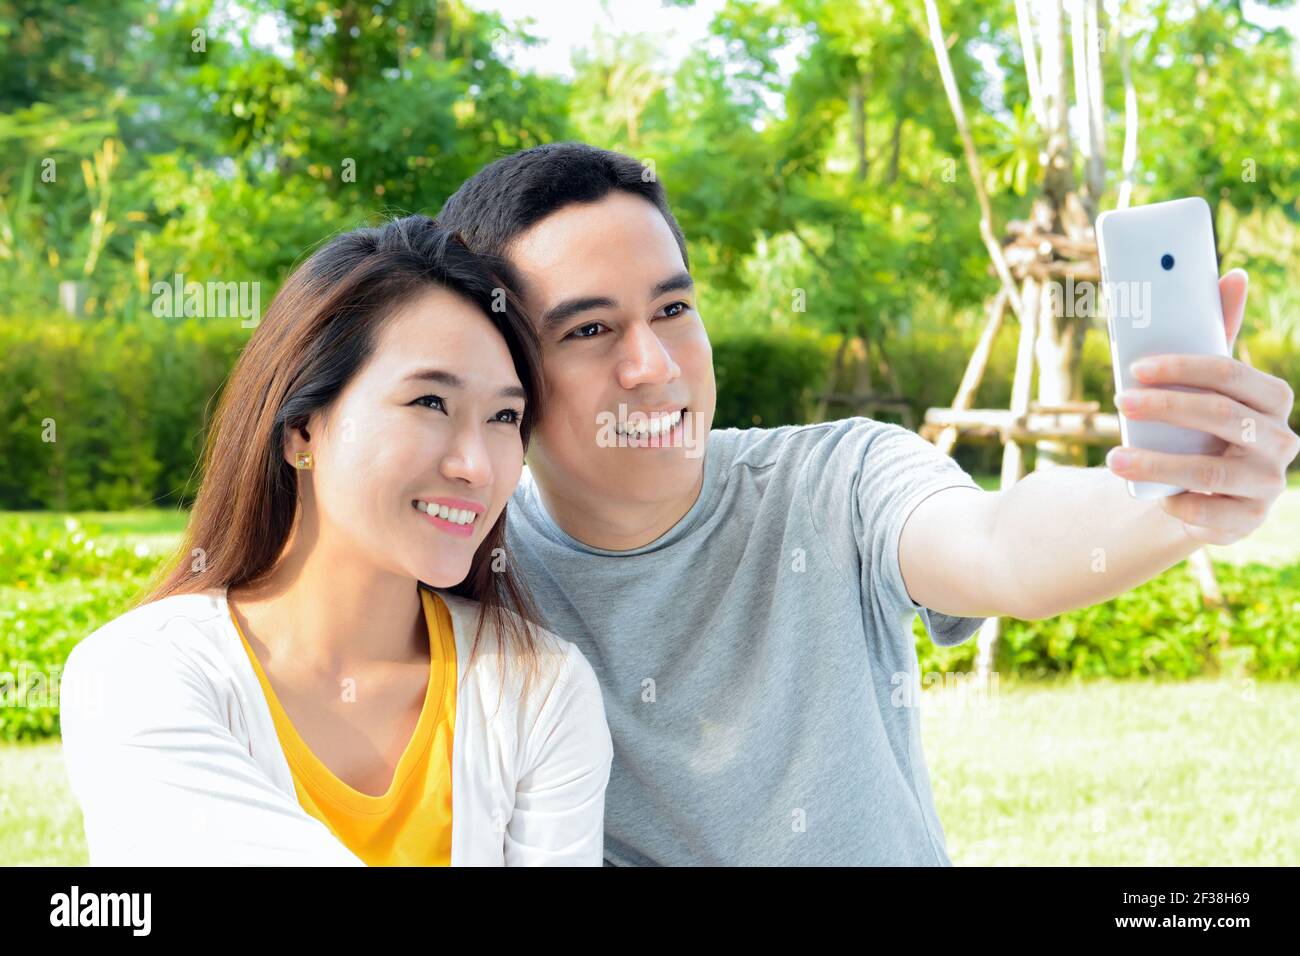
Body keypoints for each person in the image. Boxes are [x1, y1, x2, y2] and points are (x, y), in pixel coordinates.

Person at [437, 142, 1298, 865]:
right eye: (589, 331)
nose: (654, 366)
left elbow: (998, 545)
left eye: (673, 308)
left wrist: (1169, 501)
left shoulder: (836, 479)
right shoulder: (467, 566)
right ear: (504, 369)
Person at [59, 215, 613, 866]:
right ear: (301, 430)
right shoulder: (139, 673)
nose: (478, 466)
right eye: (430, 402)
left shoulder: (539, 690)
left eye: (502, 417)